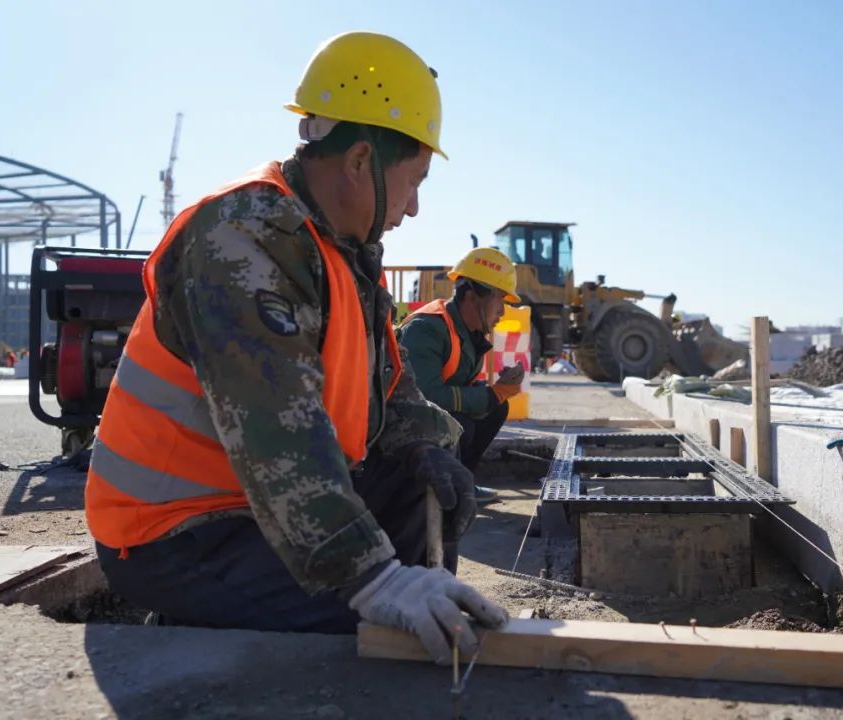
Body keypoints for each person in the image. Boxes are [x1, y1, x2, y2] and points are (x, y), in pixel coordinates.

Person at [83, 31, 507, 665]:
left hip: (256, 508)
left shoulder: (340, 250)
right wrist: (372, 577)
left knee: (419, 490)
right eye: (414, 181)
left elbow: (388, 384)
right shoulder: (240, 238)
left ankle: (393, 614)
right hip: (176, 531)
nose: (415, 208)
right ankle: (202, 624)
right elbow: (275, 430)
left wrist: (426, 445)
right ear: (360, 161)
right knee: (365, 622)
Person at [398, 249, 525, 502]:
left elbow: (458, 385)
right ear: (471, 296)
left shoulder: (467, 331)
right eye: (499, 300)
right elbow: (426, 397)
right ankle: (439, 489)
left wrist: (495, 391)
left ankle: (463, 481)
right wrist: (490, 395)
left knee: (494, 409)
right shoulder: (426, 329)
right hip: (401, 426)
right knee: (461, 420)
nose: (502, 311)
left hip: (430, 419)